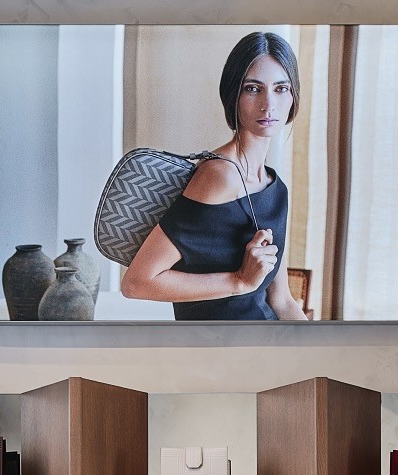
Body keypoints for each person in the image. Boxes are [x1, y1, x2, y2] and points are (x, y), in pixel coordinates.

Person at [121, 31, 309, 320]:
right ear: (232, 94)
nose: (268, 104)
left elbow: (281, 301)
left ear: (294, 94)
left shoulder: (274, 188)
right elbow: (137, 283)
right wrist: (239, 281)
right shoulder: (219, 177)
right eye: (252, 88)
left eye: (281, 88)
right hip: (216, 354)